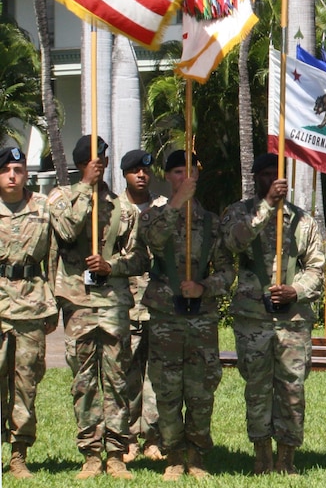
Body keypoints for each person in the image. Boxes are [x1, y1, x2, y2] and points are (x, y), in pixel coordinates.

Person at [112, 150, 234, 480]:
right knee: (166, 390)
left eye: (190, 173)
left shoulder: (211, 222)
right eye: (178, 172)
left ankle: (196, 454)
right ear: (168, 177)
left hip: (201, 316)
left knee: (200, 389)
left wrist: (205, 287)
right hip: (165, 313)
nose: (185, 179)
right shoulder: (152, 216)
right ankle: (173, 454)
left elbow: (227, 271)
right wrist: (177, 203)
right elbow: (150, 240)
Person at [220, 153, 325, 475]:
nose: (272, 180)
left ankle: (287, 457)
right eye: (265, 175)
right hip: (253, 316)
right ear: (257, 179)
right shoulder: (238, 213)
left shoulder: (303, 221)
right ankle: (261, 454)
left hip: (292, 320)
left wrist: (297, 290)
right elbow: (233, 243)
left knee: (292, 387)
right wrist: (266, 206)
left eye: (276, 176)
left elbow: (318, 268)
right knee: (257, 387)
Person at [48, 135, 140, 479]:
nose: (98, 163)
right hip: (78, 303)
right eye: (91, 159)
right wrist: (86, 189)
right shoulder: (60, 198)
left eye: (102, 158)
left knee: (118, 379)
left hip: (113, 302)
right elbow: (68, 231)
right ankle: (90, 453)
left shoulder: (122, 207)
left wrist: (111, 266)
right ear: (79, 164)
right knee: (84, 381)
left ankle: (116, 452)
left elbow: (137, 256)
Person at [0, 146, 59, 479]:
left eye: (18, 169)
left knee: (26, 384)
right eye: (7, 169)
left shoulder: (42, 209)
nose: (12, 175)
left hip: (31, 305)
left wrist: (52, 304)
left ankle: (18, 455)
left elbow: (51, 258)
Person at [118, 149, 163, 464]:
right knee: (128, 374)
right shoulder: (113, 209)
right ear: (125, 175)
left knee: (157, 376)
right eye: (135, 170)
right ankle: (129, 438)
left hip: (159, 304)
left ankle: (153, 438)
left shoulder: (163, 208)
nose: (141, 175)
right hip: (127, 304)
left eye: (145, 171)